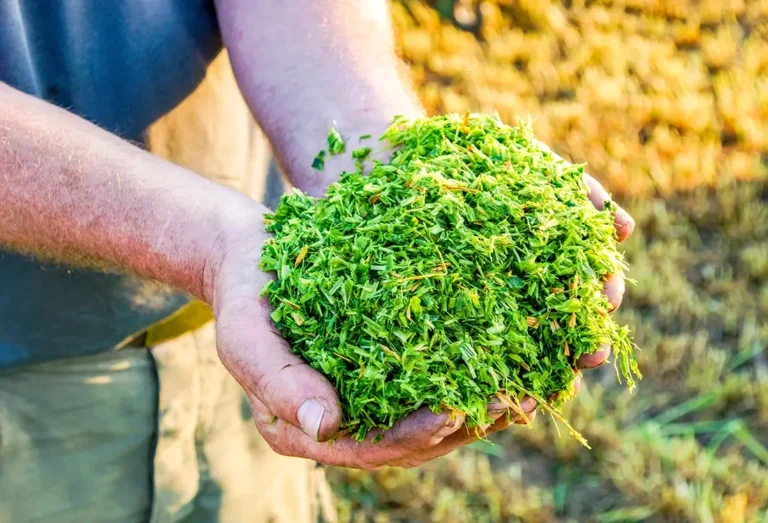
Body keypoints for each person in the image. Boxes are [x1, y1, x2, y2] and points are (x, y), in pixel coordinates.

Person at [0, 1, 635, 521]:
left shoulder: (278, 271)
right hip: (25, 391)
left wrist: (379, 151)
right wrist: (206, 242)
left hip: (255, 322)